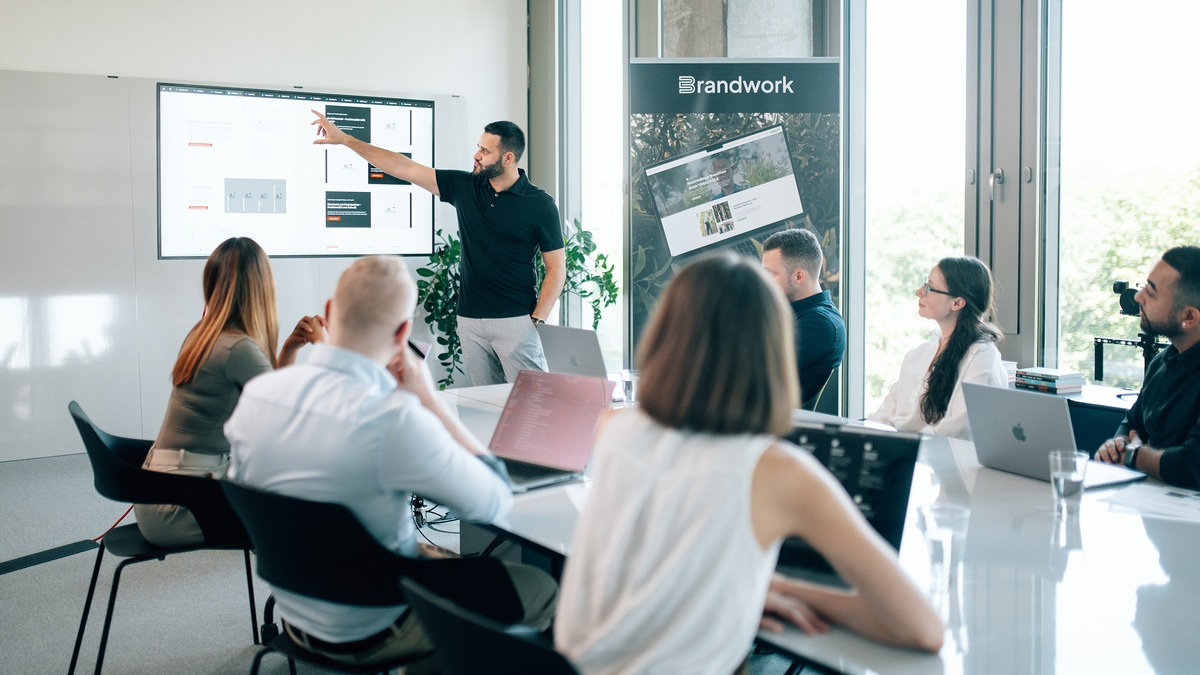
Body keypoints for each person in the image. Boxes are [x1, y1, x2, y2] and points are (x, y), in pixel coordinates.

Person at [554, 253, 943, 675]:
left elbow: (648, 563)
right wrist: (773, 585)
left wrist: (734, 585)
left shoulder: (615, 427)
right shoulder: (777, 472)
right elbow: (922, 628)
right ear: (772, 351)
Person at [224, 255, 556, 670]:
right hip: (373, 623)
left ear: (329, 313)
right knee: (542, 588)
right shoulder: (391, 418)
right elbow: (492, 502)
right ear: (403, 333)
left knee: (432, 551)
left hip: (296, 614)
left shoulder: (259, 394)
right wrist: (430, 399)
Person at [310, 111, 565, 386]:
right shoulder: (465, 186)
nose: (477, 155)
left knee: (533, 403)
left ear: (508, 158)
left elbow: (556, 268)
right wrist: (347, 140)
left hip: (516, 322)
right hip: (470, 321)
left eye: (485, 150)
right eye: (478, 147)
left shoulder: (540, 204)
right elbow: (404, 167)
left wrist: (535, 320)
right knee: (486, 408)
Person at [134, 237, 323, 547]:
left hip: (158, 496)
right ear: (261, 288)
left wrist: (289, 348)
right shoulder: (238, 349)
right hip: (178, 511)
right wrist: (326, 347)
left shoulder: (203, 333)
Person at [868, 257, 1007, 440]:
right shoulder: (919, 354)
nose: (919, 292)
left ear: (957, 303)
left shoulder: (982, 355)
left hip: (937, 458)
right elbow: (884, 415)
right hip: (903, 452)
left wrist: (902, 447)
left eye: (930, 288)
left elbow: (958, 429)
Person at [1095, 246, 1200, 488]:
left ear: (1189, 317)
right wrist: (1118, 444)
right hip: (1149, 503)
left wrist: (1134, 455)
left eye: (1151, 292)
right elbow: (1133, 422)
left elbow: (1192, 465)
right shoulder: (1163, 361)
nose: (1138, 297)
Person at [761, 228, 845, 408]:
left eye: (770, 274)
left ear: (798, 276)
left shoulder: (821, 324)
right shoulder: (791, 312)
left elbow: (754, 370)